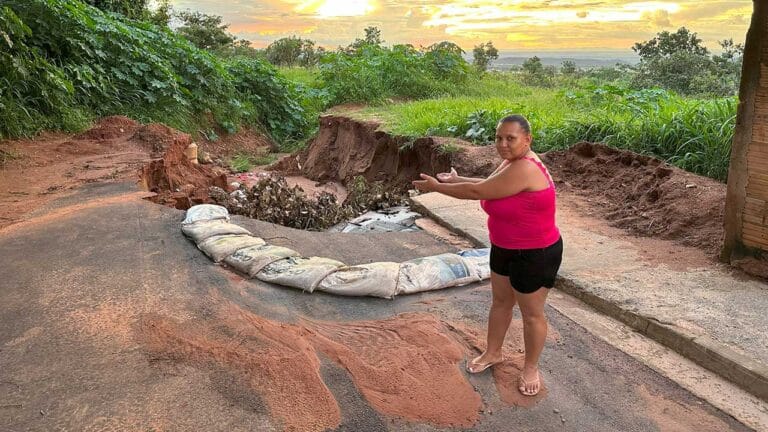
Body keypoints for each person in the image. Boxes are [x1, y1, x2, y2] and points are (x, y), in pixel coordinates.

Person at [412, 114, 562, 397]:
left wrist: (437, 187)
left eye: (511, 138)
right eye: (499, 138)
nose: (503, 144)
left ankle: (530, 367)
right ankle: (493, 352)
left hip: (535, 253)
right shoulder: (512, 162)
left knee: (532, 314)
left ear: (527, 140)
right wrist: (459, 178)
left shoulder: (527, 168)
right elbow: (491, 182)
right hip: (504, 246)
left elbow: (477, 191)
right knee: (501, 302)